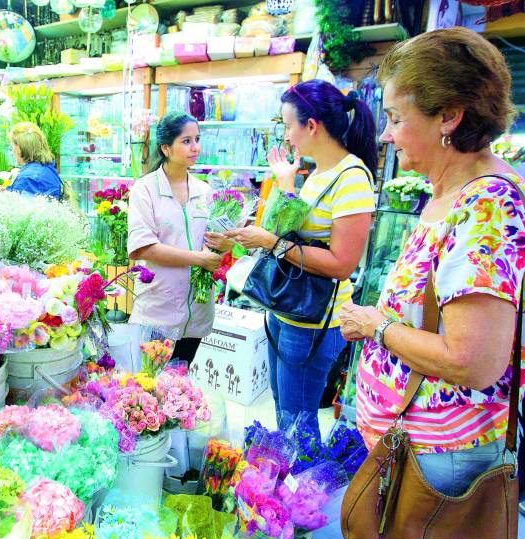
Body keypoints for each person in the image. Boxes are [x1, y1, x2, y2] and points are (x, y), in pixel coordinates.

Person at [340, 27, 525, 498]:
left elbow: (472, 361)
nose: (385, 135)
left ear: (449, 116)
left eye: (396, 118)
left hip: (443, 460)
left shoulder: (487, 207)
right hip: (414, 447)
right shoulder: (449, 192)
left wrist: (376, 326)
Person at [217, 79, 378, 438]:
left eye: (289, 125)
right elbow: (299, 234)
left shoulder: (351, 179)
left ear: (311, 126)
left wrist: (273, 243)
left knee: (297, 420)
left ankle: (306, 488)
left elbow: (342, 264)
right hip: (289, 309)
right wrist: (285, 185)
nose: (287, 136)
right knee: (284, 408)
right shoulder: (319, 174)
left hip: (315, 320)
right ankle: (290, 486)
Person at [127, 112, 224, 364]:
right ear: (166, 148)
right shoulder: (145, 190)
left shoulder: (205, 191)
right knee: (151, 387)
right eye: (186, 141)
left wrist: (225, 244)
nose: (195, 147)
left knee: (181, 385)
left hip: (197, 311)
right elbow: (144, 248)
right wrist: (199, 259)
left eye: (197, 139)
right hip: (159, 310)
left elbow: (214, 240)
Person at [7, 122, 62, 199]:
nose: (12, 151)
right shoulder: (48, 168)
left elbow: (15, 208)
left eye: (12, 146)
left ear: (20, 148)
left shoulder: (27, 179)